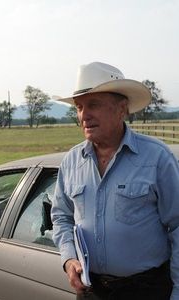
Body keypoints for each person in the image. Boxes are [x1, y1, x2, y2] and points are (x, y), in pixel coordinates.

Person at [51, 61, 179, 300]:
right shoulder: (71, 162)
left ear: (122, 109)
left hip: (146, 290)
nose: (84, 115)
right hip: (91, 290)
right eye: (79, 107)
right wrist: (68, 258)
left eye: (94, 105)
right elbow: (61, 216)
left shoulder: (157, 158)